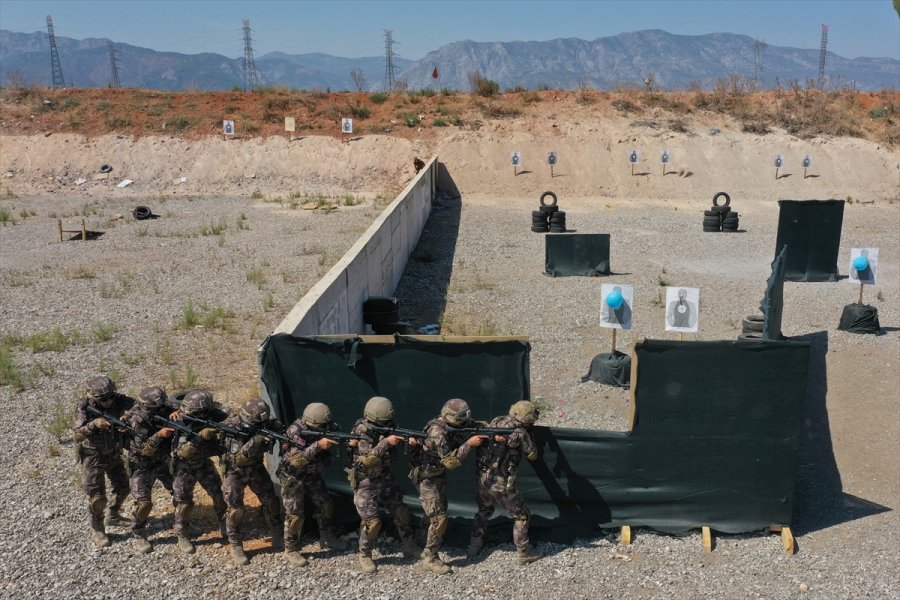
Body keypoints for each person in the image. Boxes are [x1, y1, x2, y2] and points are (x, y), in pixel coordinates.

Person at [410, 398, 485, 574]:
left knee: (436, 511)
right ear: (450, 417)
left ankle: (423, 540)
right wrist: (469, 444)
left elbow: (470, 423)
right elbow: (450, 462)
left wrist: (485, 428)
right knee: (439, 518)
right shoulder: (437, 431)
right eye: (460, 418)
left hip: (436, 475)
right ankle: (430, 557)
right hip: (427, 478)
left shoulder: (453, 424)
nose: (463, 422)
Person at [348, 395, 420, 574]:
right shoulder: (362, 431)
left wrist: (409, 442)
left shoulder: (386, 426)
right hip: (365, 480)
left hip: (383, 476)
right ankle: (365, 554)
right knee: (371, 521)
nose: (389, 423)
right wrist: (387, 442)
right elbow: (366, 461)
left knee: (401, 510)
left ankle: (409, 545)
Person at [468, 400, 543, 565]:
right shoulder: (520, 432)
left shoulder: (496, 421)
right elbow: (532, 455)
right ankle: (524, 553)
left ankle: (474, 547)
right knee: (522, 515)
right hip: (502, 483)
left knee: (483, 511)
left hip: (482, 478)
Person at [276, 402, 348, 567]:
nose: (325, 428)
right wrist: (317, 445)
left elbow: (337, 432)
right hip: (292, 478)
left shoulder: (325, 425)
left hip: (311, 475)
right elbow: (295, 461)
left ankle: (327, 538)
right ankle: (291, 549)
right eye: (321, 426)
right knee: (294, 515)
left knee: (326, 504)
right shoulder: (295, 432)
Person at [220, 398, 285, 566]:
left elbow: (277, 426)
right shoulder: (232, 427)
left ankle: (277, 535)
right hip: (234, 472)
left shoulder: (264, 422)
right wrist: (255, 441)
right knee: (235, 510)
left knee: (271, 501)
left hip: (255, 468)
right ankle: (236, 545)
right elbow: (238, 459)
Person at [73, 376, 135, 548]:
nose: (108, 402)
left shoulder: (120, 400)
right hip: (93, 456)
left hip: (114, 452)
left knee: (124, 486)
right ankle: (98, 529)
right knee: (97, 497)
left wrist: (127, 418)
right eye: (103, 400)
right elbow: (78, 433)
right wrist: (94, 424)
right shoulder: (84, 406)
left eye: (110, 397)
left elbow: (140, 409)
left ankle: (113, 514)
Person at [170, 389, 228, 555]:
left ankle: (224, 524)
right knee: (184, 503)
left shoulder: (211, 414)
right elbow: (181, 453)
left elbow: (228, 417)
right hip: (184, 468)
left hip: (204, 464)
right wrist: (200, 437)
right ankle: (182, 534)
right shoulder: (181, 422)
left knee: (219, 494)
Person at [122, 386, 175, 553]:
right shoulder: (138, 419)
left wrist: (178, 412)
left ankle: (184, 525)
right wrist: (159, 435)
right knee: (144, 503)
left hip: (162, 461)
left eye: (162, 407)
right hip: (141, 465)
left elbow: (176, 407)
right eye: (157, 408)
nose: (162, 410)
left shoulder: (164, 408)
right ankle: (139, 533)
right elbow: (143, 450)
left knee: (180, 492)